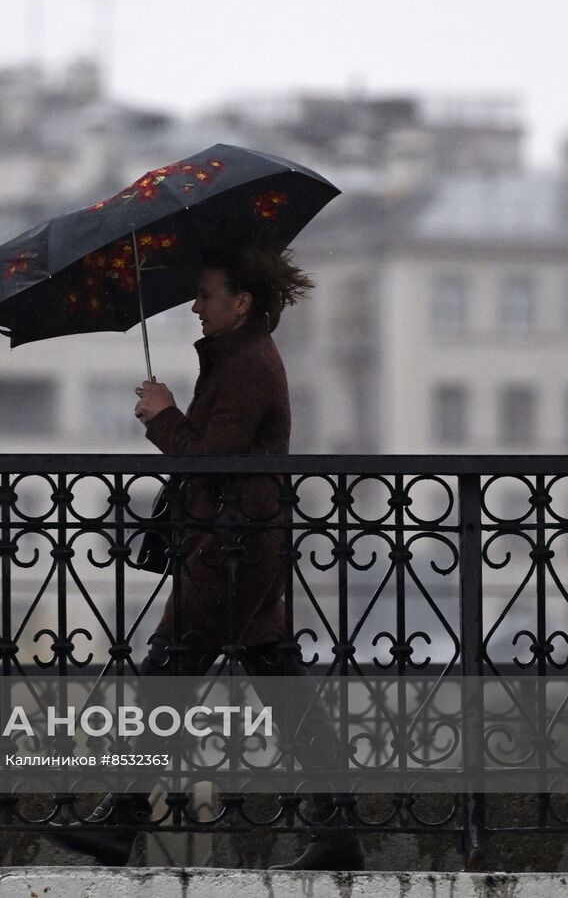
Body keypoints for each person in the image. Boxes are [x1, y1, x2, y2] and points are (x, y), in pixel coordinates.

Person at [47, 245, 363, 871]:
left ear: (240, 301)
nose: (196, 306)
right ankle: (338, 830)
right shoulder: (239, 358)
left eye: (206, 294)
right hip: (239, 544)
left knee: (168, 675)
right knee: (274, 681)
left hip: (232, 549)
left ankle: (124, 819)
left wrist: (163, 417)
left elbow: (212, 458)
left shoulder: (247, 364)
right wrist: (170, 416)